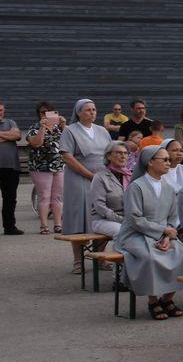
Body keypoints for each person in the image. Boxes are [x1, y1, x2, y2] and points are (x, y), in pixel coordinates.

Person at [114, 143, 183, 321]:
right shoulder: (136, 186)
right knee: (151, 257)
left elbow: (173, 217)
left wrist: (167, 236)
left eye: (169, 159)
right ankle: (152, 300)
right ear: (150, 162)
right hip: (136, 234)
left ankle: (167, 299)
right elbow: (134, 218)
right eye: (164, 159)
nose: (169, 162)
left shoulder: (168, 188)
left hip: (163, 233)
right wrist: (162, 231)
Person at [60, 99, 114, 271]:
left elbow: (109, 153)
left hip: (101, 176)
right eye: (88, 110)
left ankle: (100, 257)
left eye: (94, 109)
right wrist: (90, 175)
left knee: (102, 212)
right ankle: (78, 260)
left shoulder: (102, 130)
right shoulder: (70, 131)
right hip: (78, 177)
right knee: (80, 216)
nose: (92, 112)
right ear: (78, 112)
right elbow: (67, 157)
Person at [26, 102, 66, 235]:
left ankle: (58, 224)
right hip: (40, 167)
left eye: (48, 112)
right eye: (42, 112)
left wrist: (64, 125)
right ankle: (44, 226)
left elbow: (70, 141)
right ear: (38, 114)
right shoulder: (34, 128)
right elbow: (37, 143)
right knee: (44, 196)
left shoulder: (58, 128)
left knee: (58, 197)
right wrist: (43, 127)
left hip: (58, 165)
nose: (45, 114)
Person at [89, 141, 131, 238]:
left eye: (125, 153)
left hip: (127, 219)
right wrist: (121, 219)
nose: (123, 156)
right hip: (103, 220)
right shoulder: (100, 177)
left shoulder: (130, 176)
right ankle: (123, 253)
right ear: (108, 156)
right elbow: (100, 207)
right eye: (118, 153)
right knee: (124, 232)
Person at [0, 101, 20, 235]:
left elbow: (17, 135)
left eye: (1, 110)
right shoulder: (9, 127)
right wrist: (8, 135)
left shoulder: (11, 122)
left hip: (11, 168)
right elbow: (11, 136)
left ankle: (9, 227)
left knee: (10, 199)